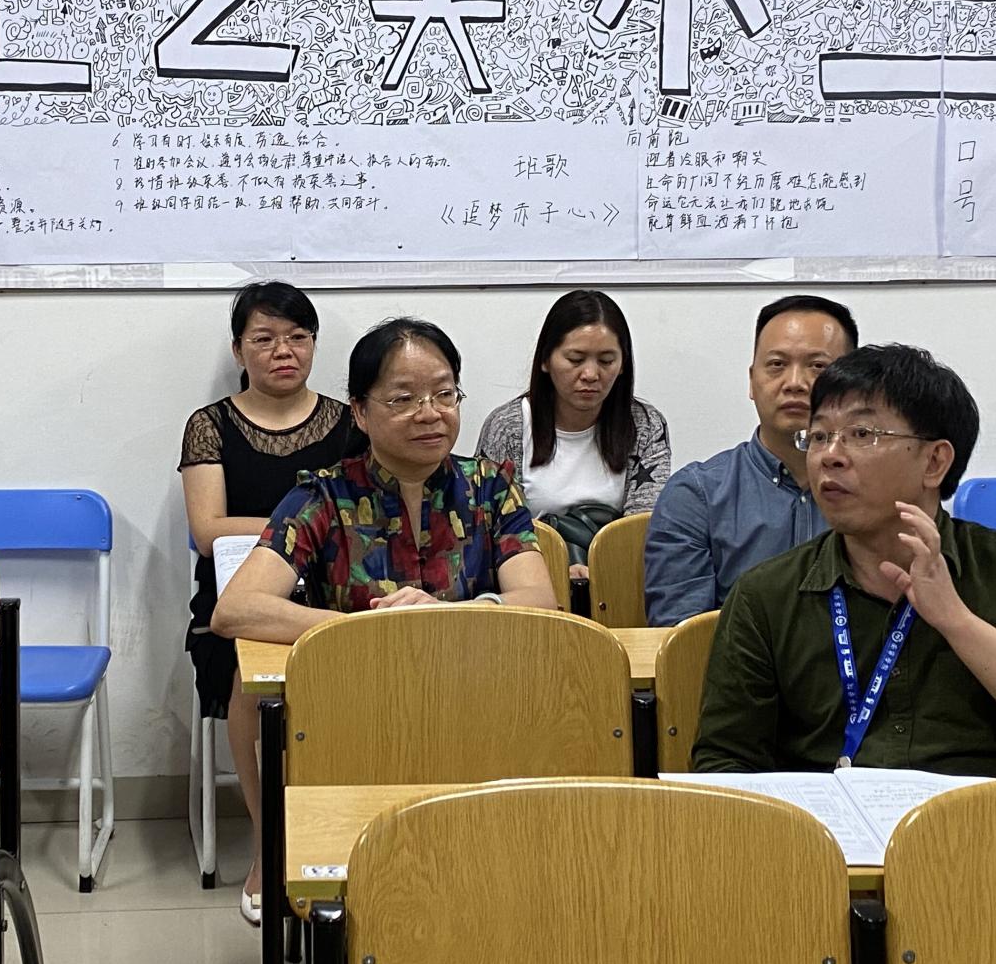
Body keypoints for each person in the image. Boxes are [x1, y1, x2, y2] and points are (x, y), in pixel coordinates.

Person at [692, 343, 996, 776]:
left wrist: (955, 619)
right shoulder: (767, 595)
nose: (829, 455)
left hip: (990, 814)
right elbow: (724, 762)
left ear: (934, 462)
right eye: (819, 436)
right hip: (824, 817)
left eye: (862, 433)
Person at [178, 282, 354, 923]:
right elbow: (208, 529)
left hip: (334, 593)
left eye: (298, 337)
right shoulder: (210, 426)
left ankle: (340, 831)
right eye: (265, 339)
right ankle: (268, 842)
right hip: (236, 600)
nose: (284, 351)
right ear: (238, 350)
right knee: (252, 681)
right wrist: (304, 526)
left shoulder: (350, 423)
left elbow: (362, 517)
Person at [212, 315, 555, 644]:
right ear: (360, 412)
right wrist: (368, 629)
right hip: (359, 674)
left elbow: (539, 601)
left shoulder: (491, 486)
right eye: (403, 399)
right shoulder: (324, 496)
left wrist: (449, 615)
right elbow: (235, 609)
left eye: (444, 394)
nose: (430, 413)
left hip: (471, 672)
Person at [642, 294, 858, 626]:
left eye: (818, 367)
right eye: (777, 365)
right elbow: (681, 636)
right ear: (752, 381)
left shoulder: (881, 490)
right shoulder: (697, 495)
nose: (795, 383)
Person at [475, 289, 670, 576]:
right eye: (575, 359)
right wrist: (556, 570)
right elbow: (492, 529)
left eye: (606, 361)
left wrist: (601, 571)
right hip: (531, 579)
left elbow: (641, 526)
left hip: (619, 578)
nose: (590, 374)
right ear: (546, 360)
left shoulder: (645, 425)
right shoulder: (507, 426)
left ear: (623, 365)